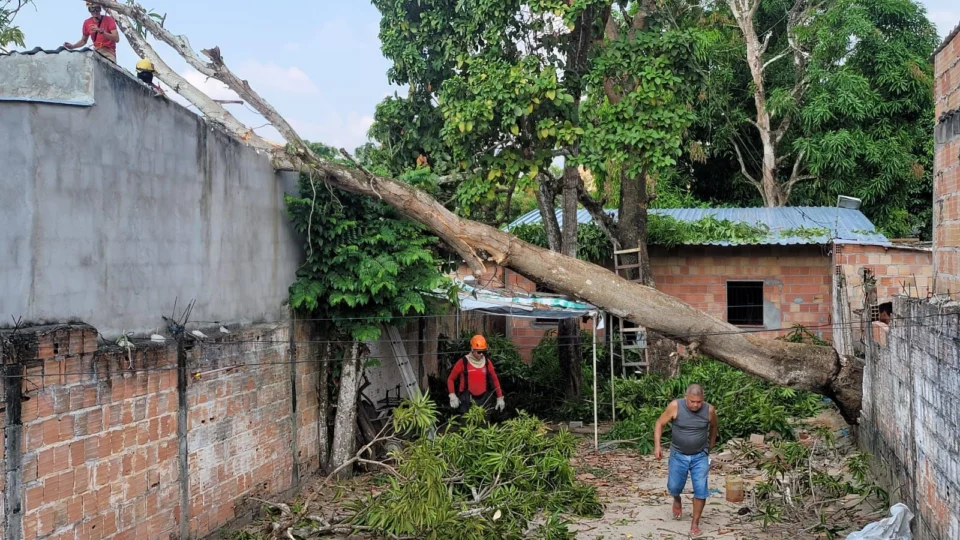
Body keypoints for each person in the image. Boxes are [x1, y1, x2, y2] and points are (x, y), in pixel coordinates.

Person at [653, 384, 718, 537]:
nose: (695, 405)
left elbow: (714, 427)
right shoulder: (675, 406)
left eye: (699, 402)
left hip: (700, 456)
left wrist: (711, 444)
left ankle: (695, 523)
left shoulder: (709, 410)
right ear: (686, 397)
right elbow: (659, 423)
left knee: (701, 489)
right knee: (674, 486)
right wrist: (657, 446)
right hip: (678, 455)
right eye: (692, 401)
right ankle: (676, 499)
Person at [447, 335, 505, 414]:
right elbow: (450, 379)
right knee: (467, 424)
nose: (481, 354)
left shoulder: (487, 363)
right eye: (479, 352)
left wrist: (500, 397)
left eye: (483, 352)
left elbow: (495, 380)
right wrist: (452, 395)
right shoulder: (463, 362)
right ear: (472, 349)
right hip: (466, 401)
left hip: (484, 400)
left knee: (484, 425)